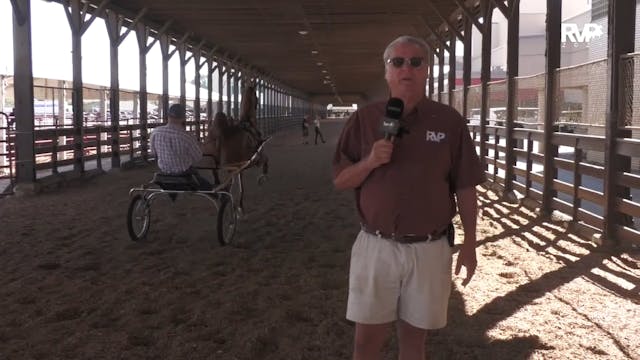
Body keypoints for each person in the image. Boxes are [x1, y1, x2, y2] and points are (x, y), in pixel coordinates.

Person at [332, 35, 486, 360]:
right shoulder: (364, 119)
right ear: (386, 71)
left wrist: (470, 242)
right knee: (365, 343)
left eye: (416, 62)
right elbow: (341, 180)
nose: (407, 68)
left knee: (415, 343)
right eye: (397, 62)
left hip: (429, 249)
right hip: (376, 247)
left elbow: (466, 186)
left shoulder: (449, 122)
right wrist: (370, 161)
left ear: (427, 70)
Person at [149, 103, 213, 191]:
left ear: (168, 116)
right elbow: (197, 157)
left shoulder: (155, 132)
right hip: (184, 173)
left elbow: (153, 152)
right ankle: (217, 195)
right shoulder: (187, 136)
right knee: (206, 185)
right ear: (183, 118)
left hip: (163, 172)